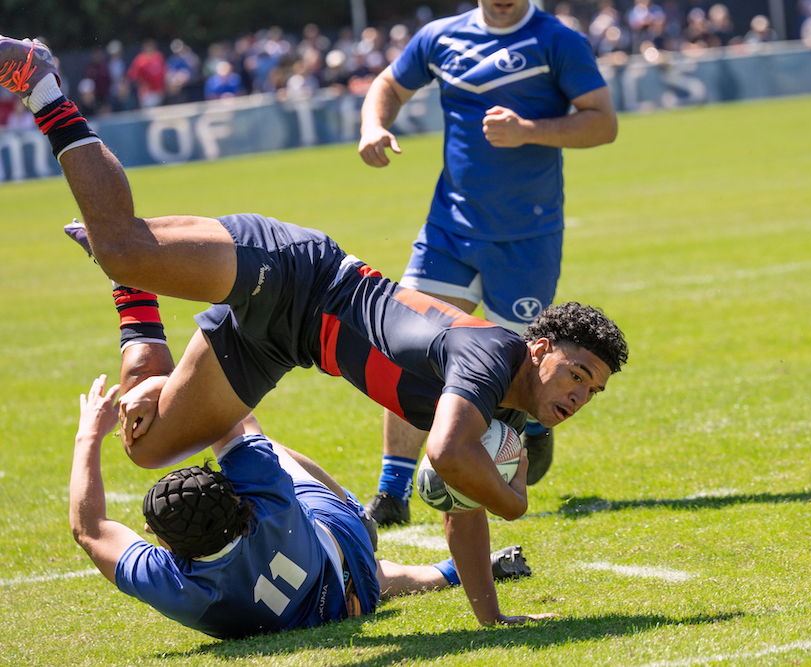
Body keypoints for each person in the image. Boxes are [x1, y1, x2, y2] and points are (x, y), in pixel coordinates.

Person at [0, 34, 627, 627]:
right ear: (539, 349)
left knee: (150, 444)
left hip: (288, 341)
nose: (579, 396)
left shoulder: (508, 414)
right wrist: (514, 500)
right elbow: (446, 457)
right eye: (577, 374)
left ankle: (131, 288)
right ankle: (42, 84)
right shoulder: (493, 353)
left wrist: (493, 618)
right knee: (124, 245)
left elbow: (461, 512)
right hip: (298, 275)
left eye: (591, 391)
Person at [357, 0, 619, 527]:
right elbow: (388, 84)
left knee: (510, 371)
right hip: (448, 230)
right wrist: (373, 125)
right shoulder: (439, 37)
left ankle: (530, 432)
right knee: (406, 352)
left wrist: (529, 130)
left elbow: (602, 123)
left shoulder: (557, 41)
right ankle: (391, 491)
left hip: (527, 238)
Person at [71, 376, 533, 638]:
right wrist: (159, 386)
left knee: (370, 575)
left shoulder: (170, 582)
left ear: (168, 545)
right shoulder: (263, 501)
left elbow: (90, 528)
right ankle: (378, 524)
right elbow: (227, 413)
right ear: (237, 501)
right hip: (342, 539)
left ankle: (450, 569)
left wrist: (86, 436)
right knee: (264, 448)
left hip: (346, 602)